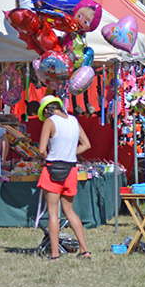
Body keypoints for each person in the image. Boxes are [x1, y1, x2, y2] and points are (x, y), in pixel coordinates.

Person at [37, 96, 92, 260]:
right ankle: (84, 250)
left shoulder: (50, 122)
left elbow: (41, 149)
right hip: (70, 169)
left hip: (53, 168)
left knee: (53, 213)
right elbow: (86, 144)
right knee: (70, 211)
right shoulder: (74, 121)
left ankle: (55, 254)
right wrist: (69, 152)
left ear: (47, 110)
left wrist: (51, 155)